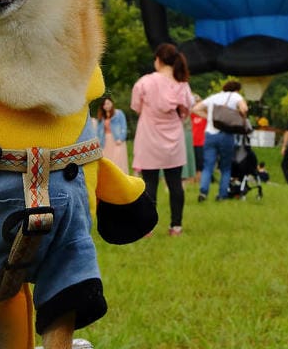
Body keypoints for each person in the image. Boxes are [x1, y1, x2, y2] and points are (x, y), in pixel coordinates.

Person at [131, 44, 196, 236]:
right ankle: (176, 226)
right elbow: (187, 110)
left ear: (158, 59)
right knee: (175, 183)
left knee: (149, 183)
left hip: (149, 137)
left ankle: (147, 228)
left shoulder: (145, 82)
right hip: (174, 139)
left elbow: (136, 106)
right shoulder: (182, 84)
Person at [193, 80, 248, 202]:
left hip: (210, 135)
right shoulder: (235, 96)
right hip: (226, 135)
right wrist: (238, 118)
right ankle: (222, 195)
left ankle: (203, 192)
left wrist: (210, 118)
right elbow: (244, 108)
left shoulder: (214, 97)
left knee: (208, 166)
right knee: (226, 167)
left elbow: (196, 108)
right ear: (237, 89)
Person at [93, 96, 129, 172]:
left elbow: (124, 127)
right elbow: (98, 131)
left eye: (108, 103)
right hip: (105, 141)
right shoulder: (102, 117)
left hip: (117, 141)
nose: (106, 105)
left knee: (118, 161)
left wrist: (121, 138)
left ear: (112, 103)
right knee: (108, 161)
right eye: (104, 104)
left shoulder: (119, 113)